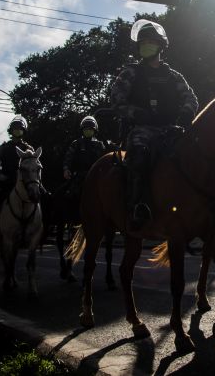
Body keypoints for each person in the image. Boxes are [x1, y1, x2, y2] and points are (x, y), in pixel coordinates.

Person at [111, 19, 199, 228]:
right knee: (140, 151)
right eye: (142, 43)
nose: (146, 46)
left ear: (160, 45)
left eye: (150, 42)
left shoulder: (174, 76)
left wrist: (183, 119)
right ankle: (137, 205)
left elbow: (191, 99)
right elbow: (116, 100)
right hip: (142, 130)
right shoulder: (130, 72)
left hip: (171, 130)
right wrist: (137, 114)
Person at [0, 115, 33, 243]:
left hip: (22, 183)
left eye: (20, 129)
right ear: (11, 131)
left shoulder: (28, 149)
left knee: (39, 197)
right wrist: (0, 175)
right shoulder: (4, 147)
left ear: (23, 131)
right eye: (15, 128)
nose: (17, 131)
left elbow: (33, 167)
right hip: (6, 181)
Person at [62, 115, 106, 194]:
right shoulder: (76, 143)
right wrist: (66, 169)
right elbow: (68, 158)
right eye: (86, 129)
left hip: (97, 176)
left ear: (94, 130)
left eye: (90, 129)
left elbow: (105, 159)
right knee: (69, 195)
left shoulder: (100, 145)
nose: (88, 131)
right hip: (79, 177)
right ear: (82, 130)